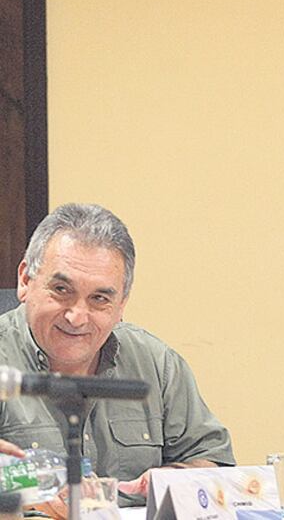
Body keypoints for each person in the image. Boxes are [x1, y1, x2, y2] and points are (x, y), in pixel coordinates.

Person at [0, 203, 235, 508]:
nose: (77, 317)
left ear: (122, 304)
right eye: (61, 289)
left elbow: (214, 462)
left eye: (99, 298)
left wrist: (175, 478)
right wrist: (26, 492)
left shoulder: (157, 364)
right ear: (25, 280)